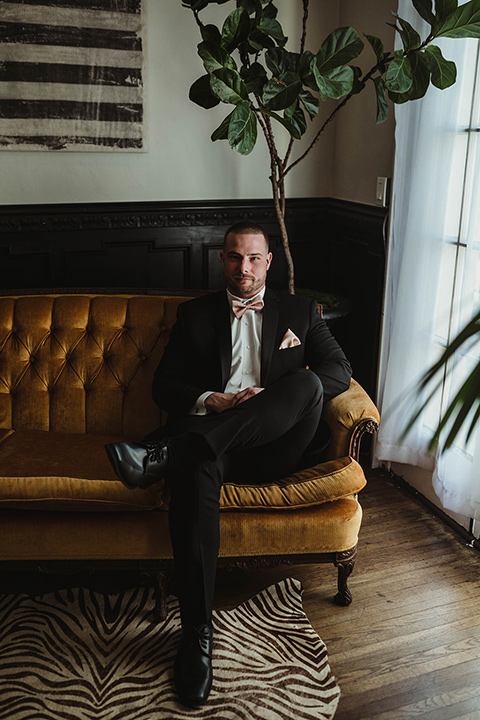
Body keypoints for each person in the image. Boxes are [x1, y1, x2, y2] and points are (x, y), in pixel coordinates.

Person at [105, 221, 352, 707]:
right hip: (213, 445)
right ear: (222, 260)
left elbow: (338, 371)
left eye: (254, 258)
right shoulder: (195, 315)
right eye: (235, 257)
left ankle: (165, 453)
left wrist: (273, 396)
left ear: (269, 262)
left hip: (274, 447)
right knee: (197, 467)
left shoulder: (301, 311)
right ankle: (197, 636)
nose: (245, 268)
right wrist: (211, 400)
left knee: (306, 385)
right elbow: (164, 387)